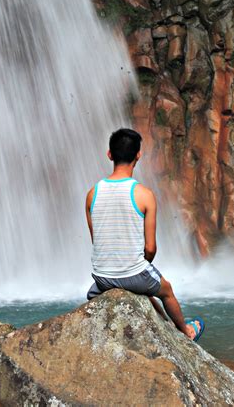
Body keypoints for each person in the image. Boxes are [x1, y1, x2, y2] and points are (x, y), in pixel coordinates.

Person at [85, 128, 204, 341]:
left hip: (101, 277)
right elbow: (150, 249)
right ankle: (186, 332)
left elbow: (99, 242)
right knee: (165, 289)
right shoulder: (144, 195)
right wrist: (139, 266)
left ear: (109, 154)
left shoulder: (92, 194)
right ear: (138, 155)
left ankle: (165, 325)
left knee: (145, 288)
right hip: (132, 275)